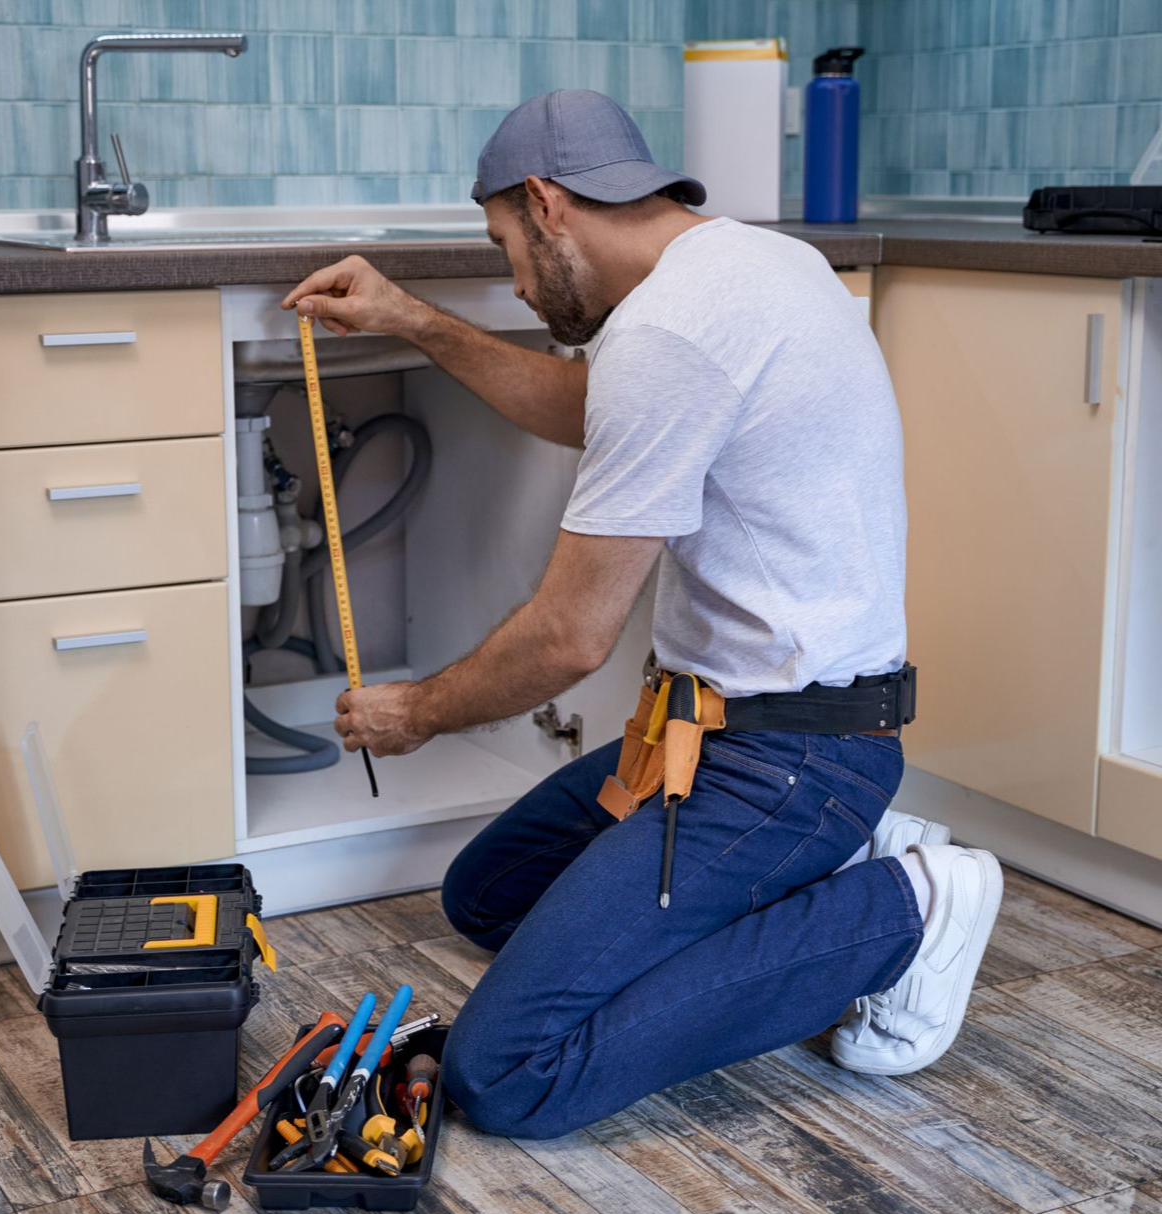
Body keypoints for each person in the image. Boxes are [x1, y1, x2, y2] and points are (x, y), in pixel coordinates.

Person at [281, 90, 1002, 1139]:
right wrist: (410, 319)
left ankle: (904, 910)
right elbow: (591, 409)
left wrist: (416, 712)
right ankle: (823, 863)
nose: (515, 284)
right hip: (714, 733)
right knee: (486, 893)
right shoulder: (749, 264)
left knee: (506, 1070)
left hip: (786, 757)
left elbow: (569, 638)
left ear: (547, 201)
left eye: (506, 249)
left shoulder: (668, 332)